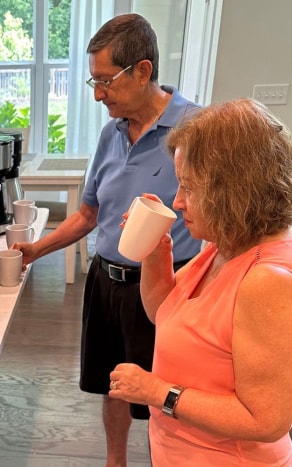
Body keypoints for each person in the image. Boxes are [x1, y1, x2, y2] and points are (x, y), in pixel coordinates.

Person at [10, 13, 202, 466]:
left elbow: (218, 223)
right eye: (92, 82)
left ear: (142, 71)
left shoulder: (195, 130)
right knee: (113, 382)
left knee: (164, 395)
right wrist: (37, 250)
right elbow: (88, 214)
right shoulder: (109, 133)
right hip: (106, 282)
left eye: (106, 81)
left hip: (168, 289)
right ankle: (115, 461)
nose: (98, 95)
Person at [108, 98, 292, 465]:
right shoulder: (226, 245)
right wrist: (156, 254)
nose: (179, 201)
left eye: (189, 187)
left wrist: (157, 391)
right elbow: (163, 311)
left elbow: (266, 420)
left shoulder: (268, 281)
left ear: (233, 190)